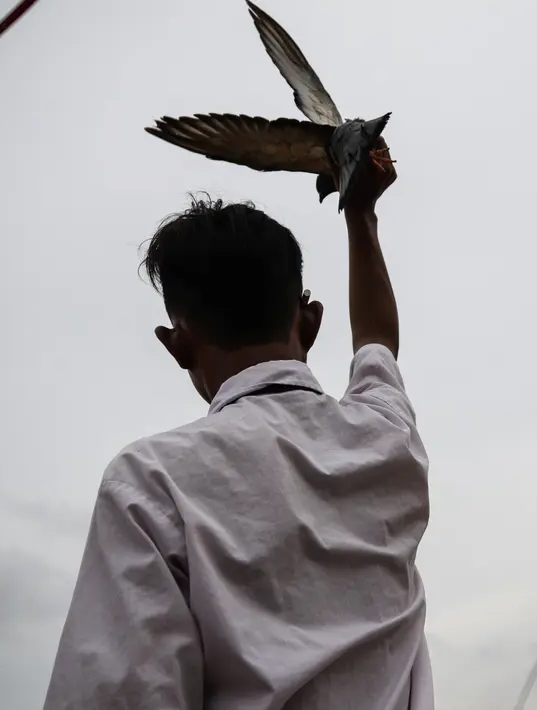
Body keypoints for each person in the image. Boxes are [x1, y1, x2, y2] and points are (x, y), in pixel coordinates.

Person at [42, 146, 433, 710]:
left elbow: (122, 694)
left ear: (176, 344)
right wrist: (360, 213)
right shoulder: (383, 436)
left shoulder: (151, 481)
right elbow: (377, 340)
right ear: (310, 320)